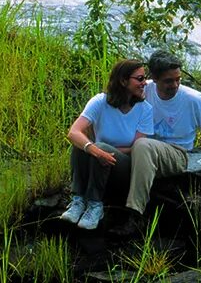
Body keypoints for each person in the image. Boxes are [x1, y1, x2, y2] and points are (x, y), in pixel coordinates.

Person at [115, 49, 201, 231]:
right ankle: (88, 204)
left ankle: (135, 215)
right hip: (141, 152)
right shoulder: (144, 91)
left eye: (178, 79)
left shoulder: (193, 99)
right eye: (168, 81)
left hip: (177, 154)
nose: (175, 85)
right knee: (103, 149)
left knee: (142, 145)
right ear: (154, 78)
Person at [61, 59, 154, 230]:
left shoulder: (145, 110)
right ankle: (78, 200)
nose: (144, 83)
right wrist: (95, 150)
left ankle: (96, 205)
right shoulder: (100, 102)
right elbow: (74, 132)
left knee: (97, 147)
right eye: (140, 79)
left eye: (145, 79)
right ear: (123, 80)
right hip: (98, 162)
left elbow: (137, 148)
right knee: (81, 145)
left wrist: (102, 151)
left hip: (125, 167)